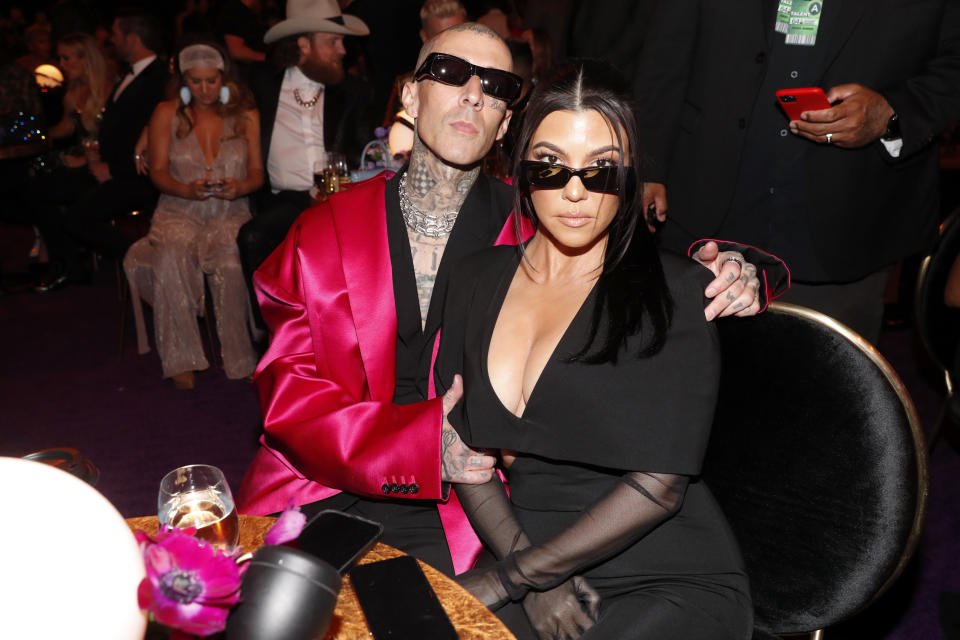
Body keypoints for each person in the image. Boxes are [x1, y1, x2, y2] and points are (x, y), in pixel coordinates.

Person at [236, 23, 785, 579]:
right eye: (450, 73)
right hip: (324, 482)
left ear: (504, 123)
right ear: (409, 94)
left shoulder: (544, 227)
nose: (474, 93)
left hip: (474, 510)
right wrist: (419, 444)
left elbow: (636, 264)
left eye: (497, 86)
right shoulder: (324, 230)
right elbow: (288, 395)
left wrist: (737, 272)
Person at [435, 59, 752, 639]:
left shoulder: (677, 291)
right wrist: (534, 577)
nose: (575, 192)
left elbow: (660, 486)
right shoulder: (474, 278)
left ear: (630, 177)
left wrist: (511, 581)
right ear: (522, 168)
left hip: (665, 571)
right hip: (529, 548)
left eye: (602, 171)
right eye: (551, 167)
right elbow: (465, 455)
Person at [635, 0, 960, 344]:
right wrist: (647, 164)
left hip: (849, 218)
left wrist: (892, 113)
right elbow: (665, 52)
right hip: (700, 204)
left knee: (823, 390)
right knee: (681, 380)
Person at [123, 41, 262, 390]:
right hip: (178, 209)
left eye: (211, 81)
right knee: (171, 254)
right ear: (185, 81)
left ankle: (242, 357)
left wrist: (239, 187)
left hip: (230, 211)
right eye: (196, 81)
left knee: (231, 261)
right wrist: (187, 190)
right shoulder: (167, 113)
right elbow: (157, 172)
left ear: (225, 78)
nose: (204, 89)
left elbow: (258, 173)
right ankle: (181, 358)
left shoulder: (246, 115)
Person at [236, 0, 371, 319]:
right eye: (333, 41)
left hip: (338, 200)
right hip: (284, 201)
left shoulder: (353, 91)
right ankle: (272, 334)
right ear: (303, 44)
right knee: (252, 236)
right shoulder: (261, 85)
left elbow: (366, 151)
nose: (342, 50)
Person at [33, 8, 168, 292]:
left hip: (137, 176)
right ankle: (69, 265)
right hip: (109, 167)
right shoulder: (128, 75)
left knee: (78, 217)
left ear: (132, 38)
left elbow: (157, 138)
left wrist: (114, 169)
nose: (111, 40)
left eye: (116, 34)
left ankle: (148, 260)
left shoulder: (158, 78)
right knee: (43, 188)